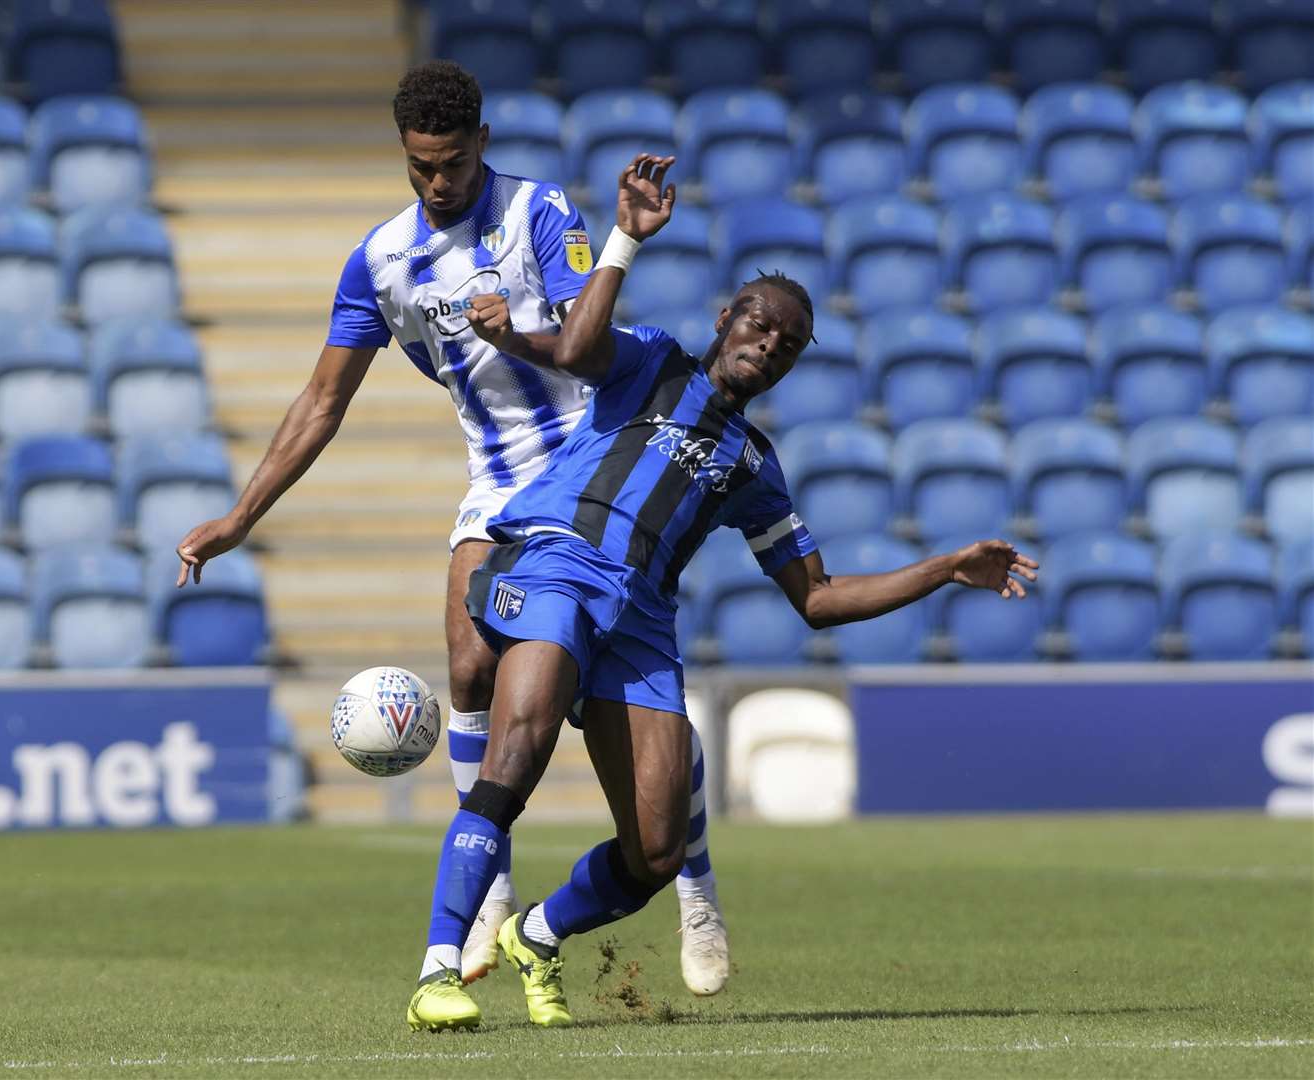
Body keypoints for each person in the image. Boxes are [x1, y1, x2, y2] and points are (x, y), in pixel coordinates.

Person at [405, 153, 1040, 1031]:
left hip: (640, 621)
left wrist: (943, 569)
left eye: (784, 344)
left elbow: (817, 599)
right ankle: (439, 966)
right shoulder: (653, 365)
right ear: (725, 318)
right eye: (757, 324)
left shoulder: (756, 467)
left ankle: (538, 935)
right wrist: (625, 236)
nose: (767, 345)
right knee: (520, 747)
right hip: (557, 562)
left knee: (658, 851)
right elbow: (579, 347)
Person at [172, 62, 734, 992]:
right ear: (404, 153)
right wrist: (240, 516)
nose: (439, 182)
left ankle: (698, 887)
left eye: (455, 161)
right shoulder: (382, 260)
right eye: (422, 165)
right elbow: (323, 399)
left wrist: (517, 324)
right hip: (500, 478)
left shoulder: (540, 214)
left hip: (598, 457)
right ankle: (492, 893)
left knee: (627, 692)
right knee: (469, 663)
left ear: (482, 141)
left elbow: (585, 343)